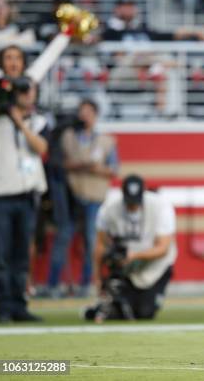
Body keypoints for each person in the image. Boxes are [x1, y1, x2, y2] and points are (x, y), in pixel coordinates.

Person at [0, 64, 48, 322]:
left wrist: (20, 121)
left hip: (28, 195)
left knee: (22, 254)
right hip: (0, 194)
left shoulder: (38, 120)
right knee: (1, 255)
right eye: (22, 91)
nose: (27, 95)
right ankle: (4, 306)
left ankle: (19, 304)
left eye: (30, 90)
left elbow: (40, 148)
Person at [49, 99, 118, 297]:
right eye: (82, 111)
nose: (84, 115)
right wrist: (81, 166)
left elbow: (113, 169)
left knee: (91, 240)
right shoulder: (68, 136)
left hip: (94, 196)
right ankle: (52, 285)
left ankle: (86, 284)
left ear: (95, 115)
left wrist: (96, 168)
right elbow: (58, 163)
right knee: (63, 238)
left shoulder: (106, 140)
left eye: (88, 111)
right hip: (70, 195)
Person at [84, 175, 177, 321]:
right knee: (130, 307)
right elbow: (101, 244)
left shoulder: (161, 207)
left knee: (145, 311)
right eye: (129, 202)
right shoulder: (109, 209)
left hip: (154, 268)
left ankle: (111, 308)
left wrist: (134, 255)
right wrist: (97, 278)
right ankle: (109, 305)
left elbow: (163, 248)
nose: (132, 206)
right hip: (127, 267)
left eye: (136, 202)